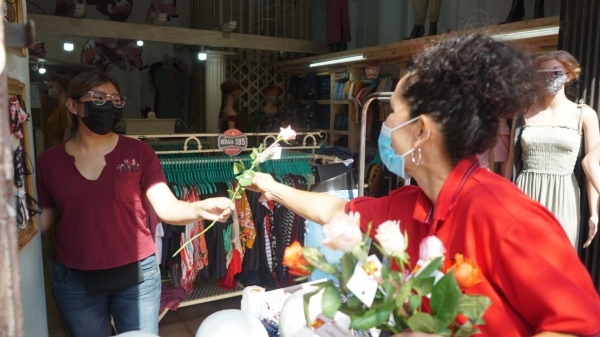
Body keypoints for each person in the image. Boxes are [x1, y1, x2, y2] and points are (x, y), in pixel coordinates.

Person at [248, 34, 600, 336]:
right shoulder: (412, 204)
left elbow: (578, 325)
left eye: (394, 112)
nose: (385, 122)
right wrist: (274, 187)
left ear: (421, 131)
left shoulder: (506, 217)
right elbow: (338, 210)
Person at [36, 71, 234, 337]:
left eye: (116, 100)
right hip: (75, 278)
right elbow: (43, 220)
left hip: (136, 276)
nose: (108, 105)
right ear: (73, 105)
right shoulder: (49, 162)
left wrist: (199, 208)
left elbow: (166, 207)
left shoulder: (139, 153)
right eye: (98, 97)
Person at [512, 50, 599, 249]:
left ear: (568, 75)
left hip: (563, 195)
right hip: (525, 193)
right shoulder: (524, 113)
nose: (548, 76)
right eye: (542, 72)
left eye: (555, 71)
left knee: (559, 259)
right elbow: (511, 159)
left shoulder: (584, 115)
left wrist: (594, 212)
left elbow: (592, 165)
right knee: (522, 259)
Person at [45, 74, 73, 148]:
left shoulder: (65, 108)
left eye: (51, 87)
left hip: (59, 148)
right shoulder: (59, 107)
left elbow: (67, 133)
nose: (49, 90)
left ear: (60, 88)